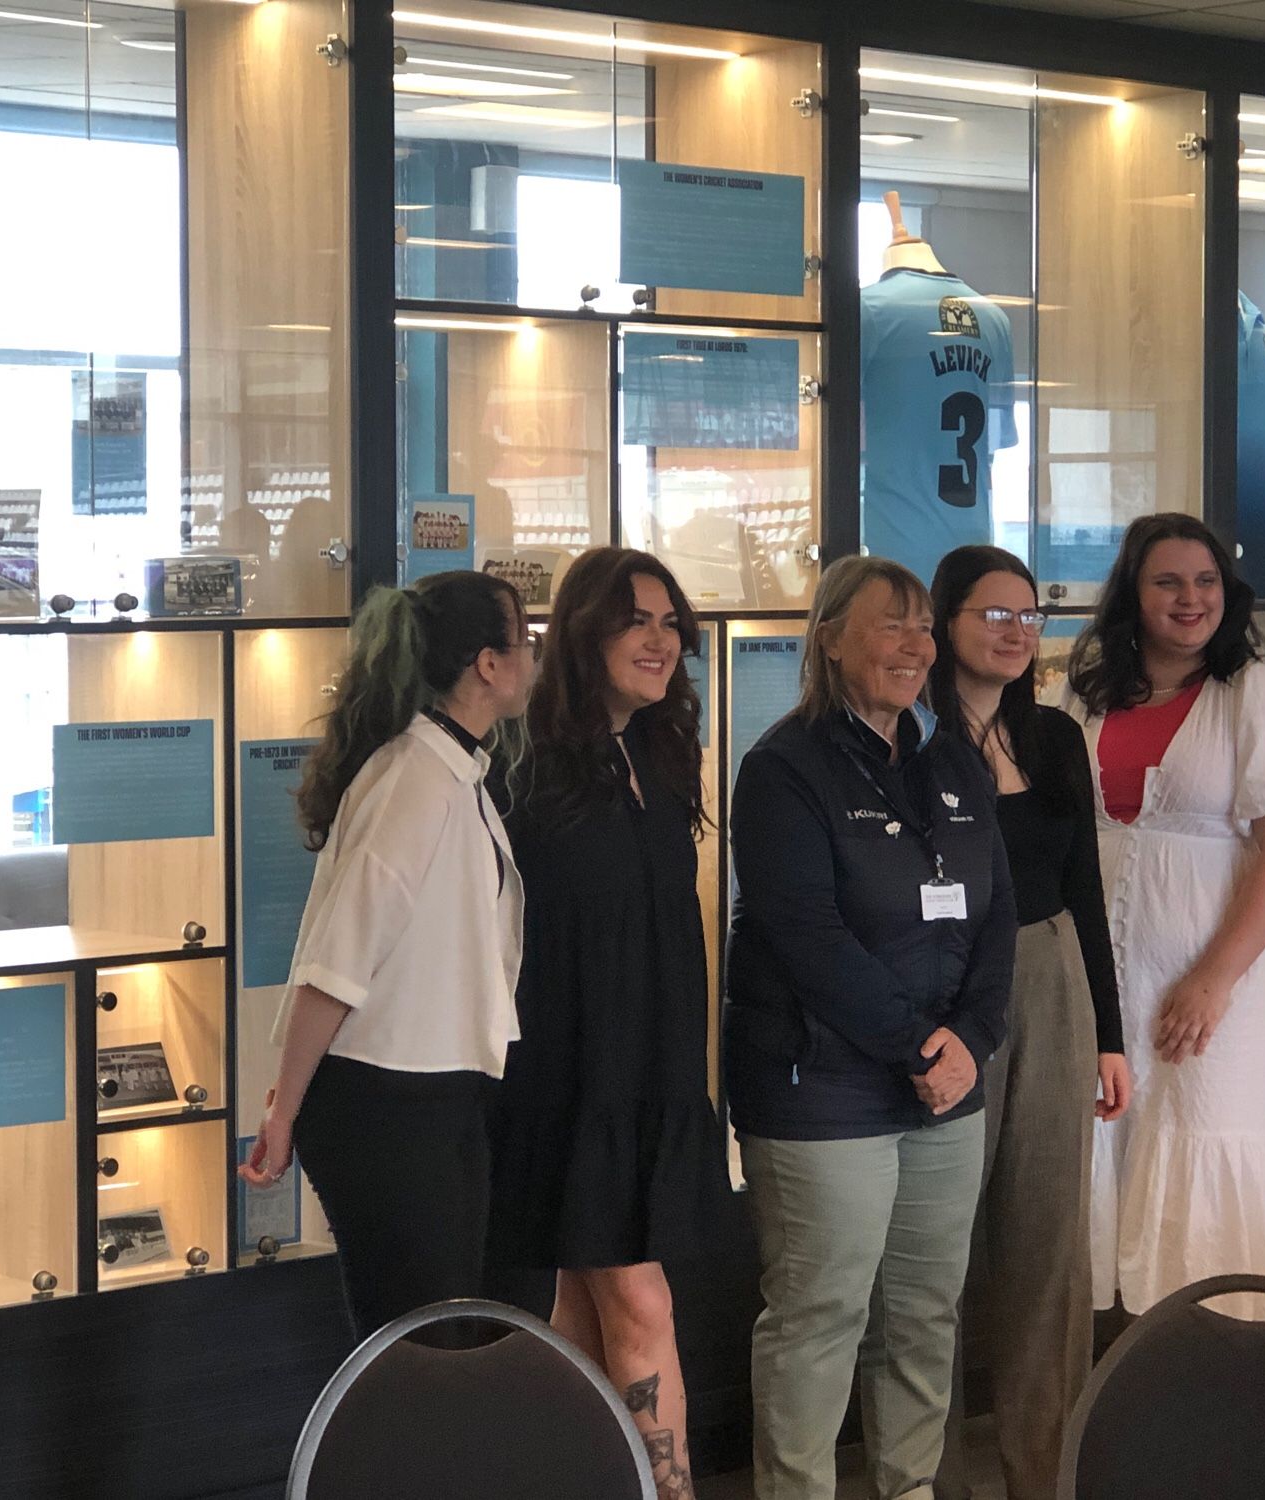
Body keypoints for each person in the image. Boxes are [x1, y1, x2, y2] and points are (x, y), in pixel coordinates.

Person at [725, 555, 1017, 1500]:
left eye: (924, 627)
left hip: (943, 1086)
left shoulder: (951, 758)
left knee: (924, 1316)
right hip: (826, 1090)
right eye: (890, 624)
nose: (914, 644)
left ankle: (910, 1490)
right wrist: (921, 1045)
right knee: (821, 1316)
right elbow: (807, 936)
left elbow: (997, 914)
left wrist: (971, 1039)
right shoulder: (781, 768)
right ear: (831, 640)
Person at [487, 547, 730, 1500]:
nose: (661, 641)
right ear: (586, 634)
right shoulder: (524, 766)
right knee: (638, 1298)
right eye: (638, 621)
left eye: (672, 623)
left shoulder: (666, 756)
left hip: (656, 1079)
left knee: (584, 1317)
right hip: (566, 1080)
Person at [238, 570, 536, 1341]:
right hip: (387, 1102)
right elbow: (337, 961)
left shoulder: (452, 768)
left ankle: (426, 1465)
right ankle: (386, 1466)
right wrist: (286, 1110)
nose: (535, 657)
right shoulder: (415, 778)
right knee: (416, 1341)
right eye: (525, 641)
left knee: (441, 1333)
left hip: (435, 1094)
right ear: (488, 664)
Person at [1064, 514, 1265, 1319]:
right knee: (1112, 1143)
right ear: (1132, 595)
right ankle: (1125, 1370)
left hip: (1214, 985)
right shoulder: (1082, 696)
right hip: (1105, 977)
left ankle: (1227, 1371)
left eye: (1206, 581)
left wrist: (1213, 980)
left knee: (1207, 1135)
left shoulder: (1254, 696)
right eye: (1168, 582)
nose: (1191, 599)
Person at [928, 545, 1130, 1500]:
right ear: (944, 622)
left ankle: (1043, 1477)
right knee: (936, 1251)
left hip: (1050, 978)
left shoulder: (1052, 738)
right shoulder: (907, 735)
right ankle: (931, 1479)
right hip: (941, 987)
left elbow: (1085, 885)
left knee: (1049, 1243)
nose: (1014, 631)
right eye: (993, 613)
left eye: (1028, 615)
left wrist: (1110, 1036)